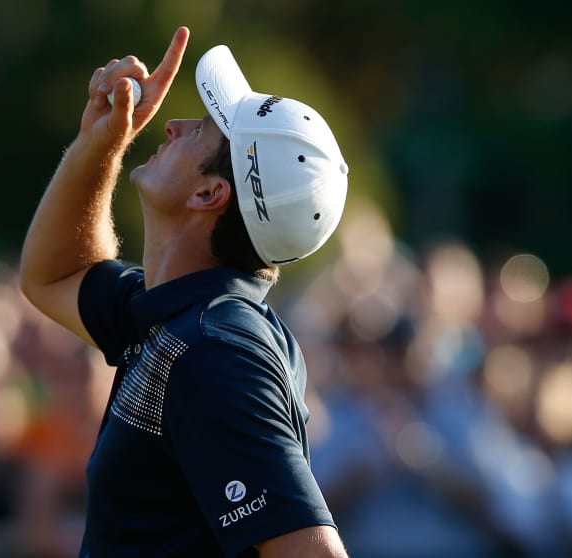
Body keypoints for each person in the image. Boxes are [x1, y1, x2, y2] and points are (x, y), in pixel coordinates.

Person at [19, 26, 351, 557]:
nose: (171, 124)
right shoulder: (181, 316)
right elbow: (53, 274)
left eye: (200, 130)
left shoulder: (216, 350)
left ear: (209, 193)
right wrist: (102, 143)